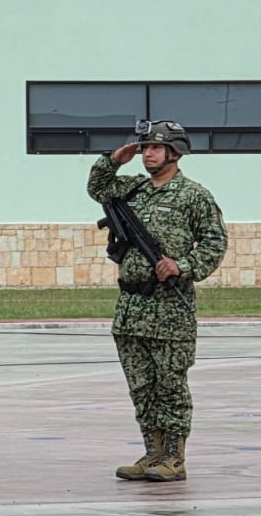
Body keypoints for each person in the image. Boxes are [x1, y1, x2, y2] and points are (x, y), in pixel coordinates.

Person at [88, 119, 228, 483]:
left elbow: (215, 244)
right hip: (131, 308)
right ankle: (152, 452)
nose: (148, 154)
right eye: (145, 147)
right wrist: (114, 159)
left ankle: (174, 457)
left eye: (155, 148)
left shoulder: (193, 196)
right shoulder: (132, 188)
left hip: (169, 308)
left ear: (175, 152)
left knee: (170, 385)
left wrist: (182, 265)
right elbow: (97, 187)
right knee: (141, 386)